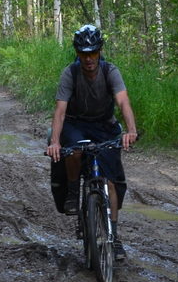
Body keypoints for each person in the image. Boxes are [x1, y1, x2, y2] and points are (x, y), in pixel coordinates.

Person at [46, 24, 139, 257]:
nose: (89, 59)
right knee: (74, 152)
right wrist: (55, 141)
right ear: (78, 54)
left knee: (110, 181)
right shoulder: (70, 73)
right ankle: (72, 189)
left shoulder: (110, 71)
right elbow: (59, 111)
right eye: (84, 54)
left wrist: (131, 130)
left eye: (93, 53)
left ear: (99, 51)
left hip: (104, 125)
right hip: (75, 124)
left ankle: (113, 237)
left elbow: (123, 102)